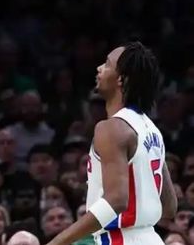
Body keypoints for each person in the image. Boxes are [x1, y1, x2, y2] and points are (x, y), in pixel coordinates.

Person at [46, 42, 178, 245]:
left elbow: (116, 200)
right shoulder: (152, 130)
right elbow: (169, 206)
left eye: (107, 64)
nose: (99, 68)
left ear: (122, 80)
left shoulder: (111, 128)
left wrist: (57, 242)